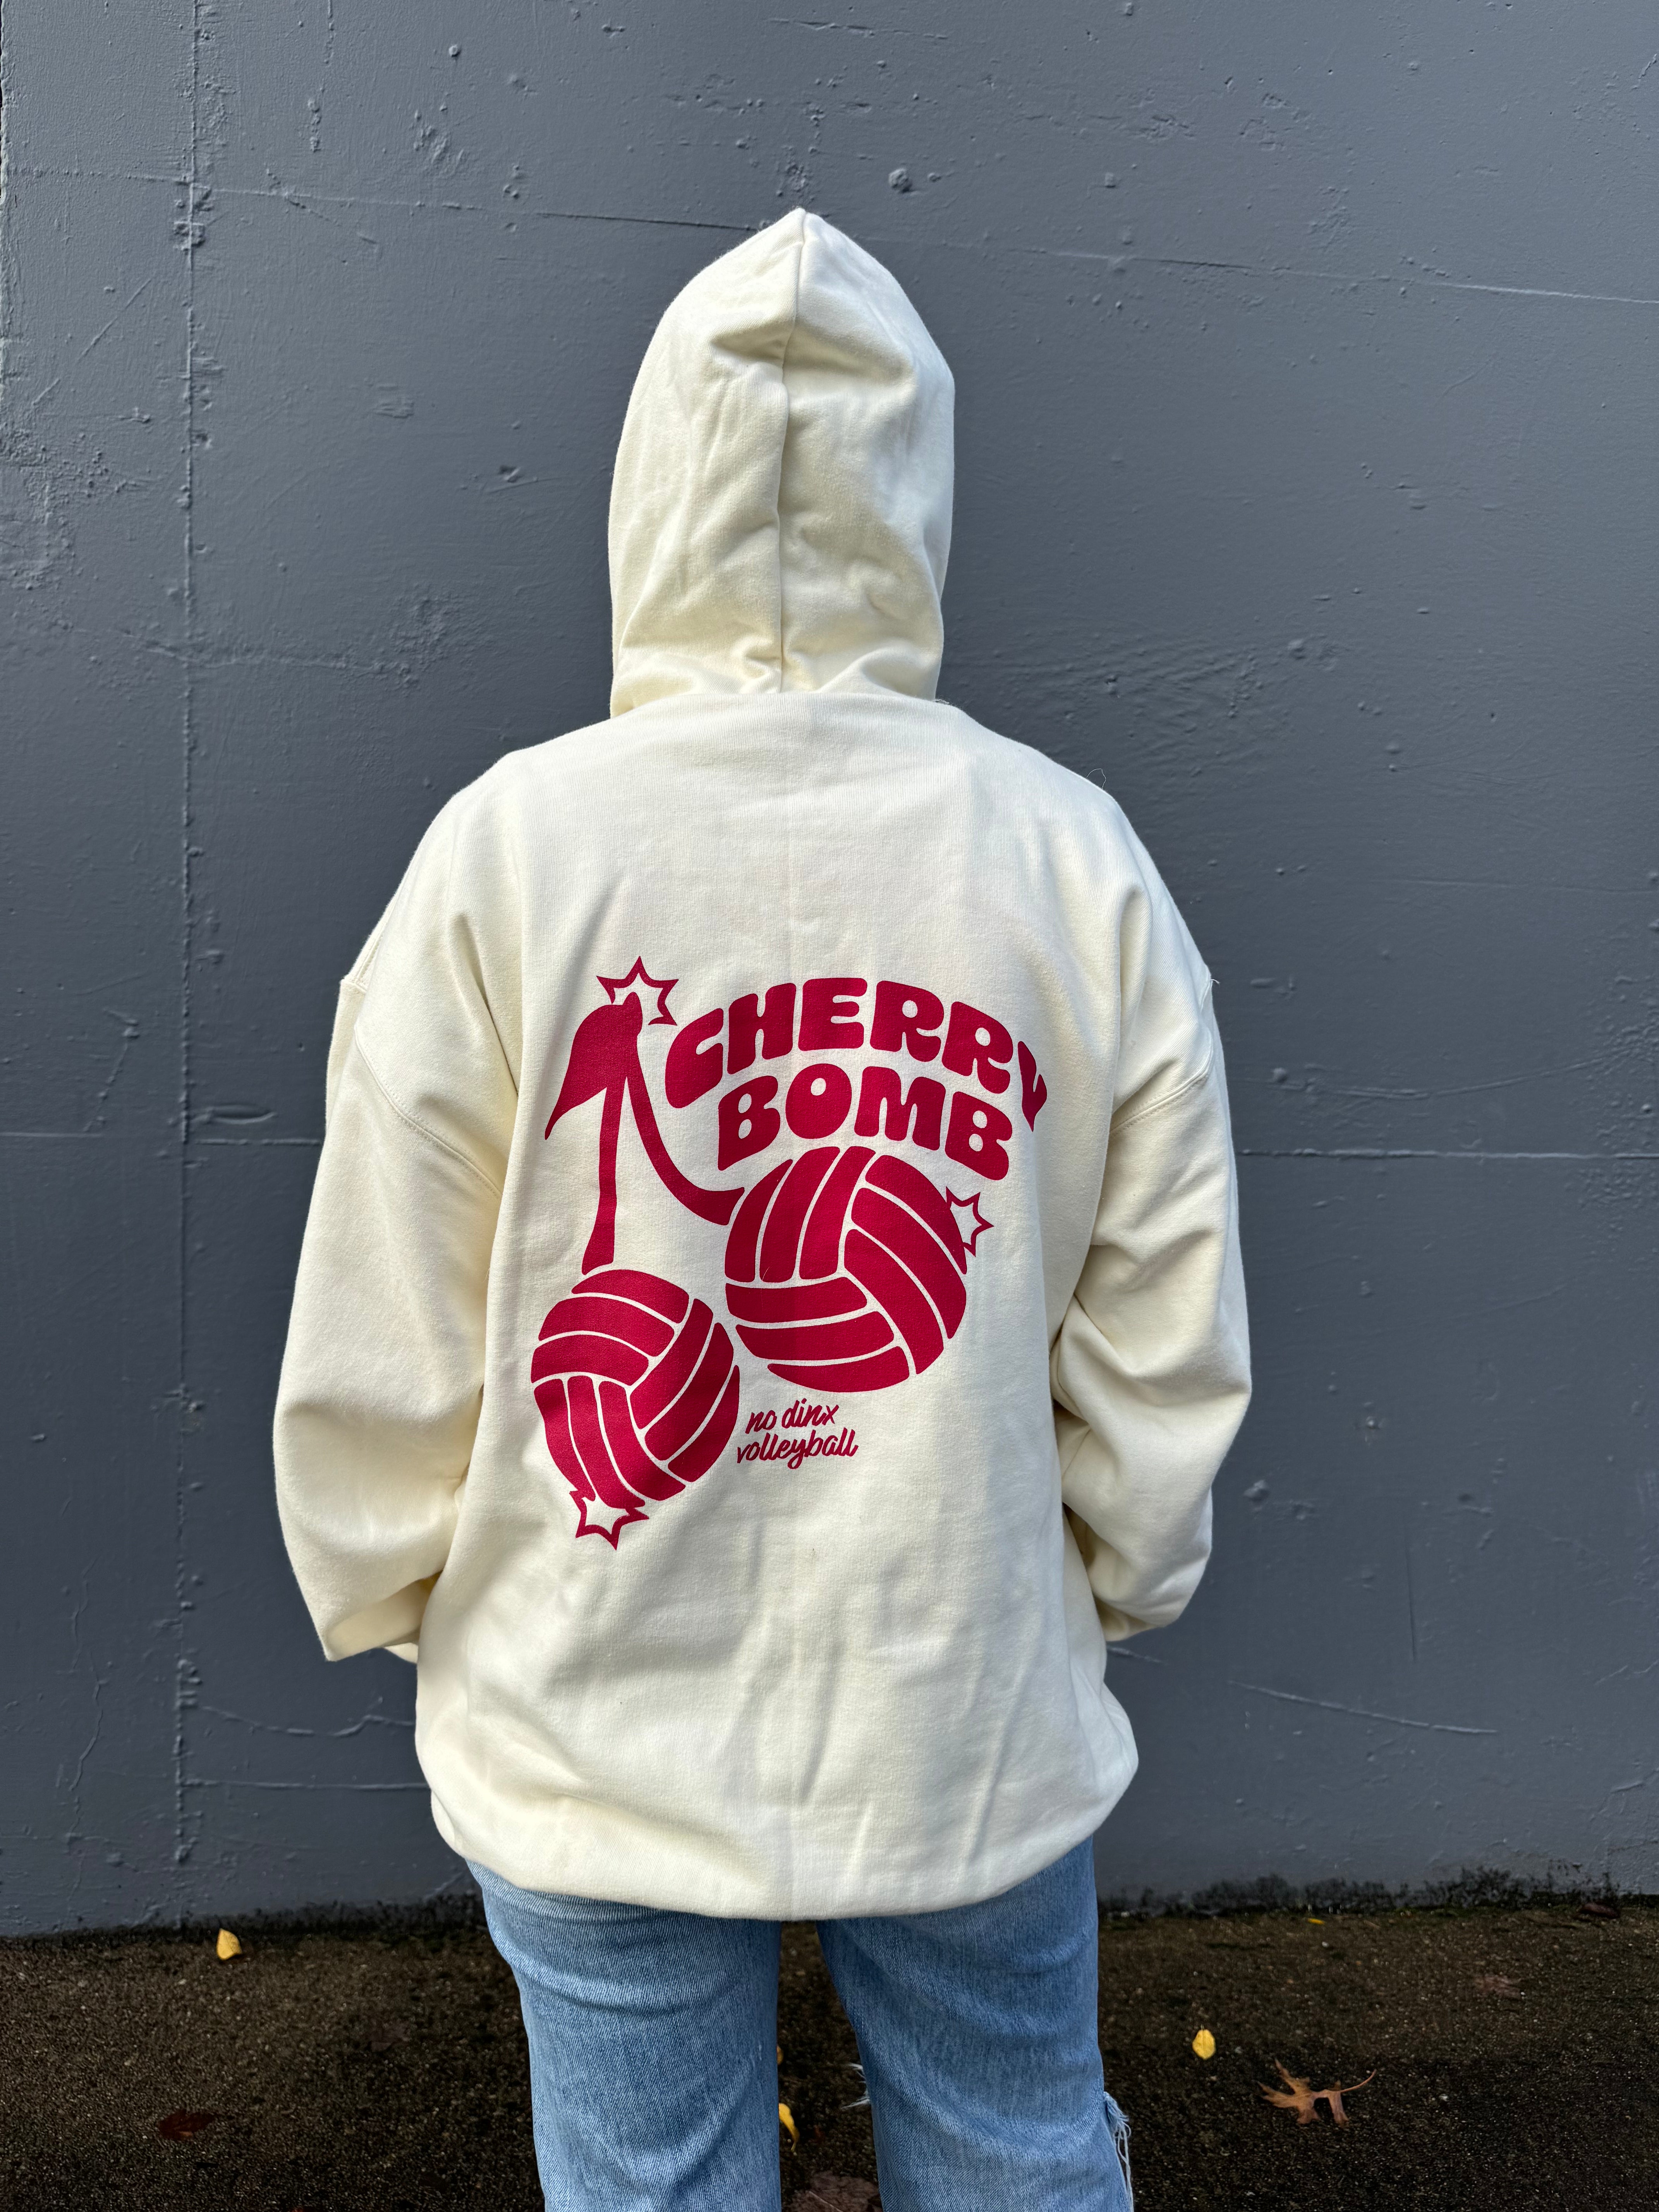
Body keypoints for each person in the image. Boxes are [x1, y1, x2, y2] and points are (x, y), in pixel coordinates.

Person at [275, 208, 1250, 2212]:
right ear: (919, 501)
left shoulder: (510, 854)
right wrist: (1108, 1575)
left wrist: (393, 1575)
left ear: (652, 492)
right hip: (960, 1693)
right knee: (1017, 2152)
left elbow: (387, 1300)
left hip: (592, 1706)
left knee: (648, 2188)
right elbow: (1166, 1328)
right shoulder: (1073, 863)